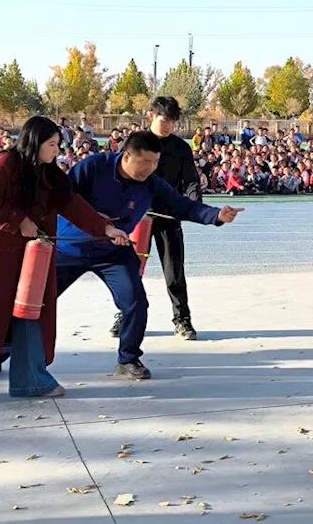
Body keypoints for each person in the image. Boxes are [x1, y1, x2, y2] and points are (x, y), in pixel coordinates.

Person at [0, 117, 128, 403]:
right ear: (35, 142)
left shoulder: (50, 174)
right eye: (51, 144)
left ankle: (30, 380)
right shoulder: (7, 162)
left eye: (58, 144)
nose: (56, 150)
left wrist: (105, 229)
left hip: (30, 257)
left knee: (31, 312)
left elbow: (72, 204)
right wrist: (19, 220)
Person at [55, 130, 243, 380]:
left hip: (114, 251)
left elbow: (182, 206)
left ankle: (128, 359)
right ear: (126, 155)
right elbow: (64, 198)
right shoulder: (94, 167)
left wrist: (216, 215)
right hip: (70, 247)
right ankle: (2, 351)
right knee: (35, 300)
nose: (150, 168)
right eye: (145, 162)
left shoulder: (151, 183)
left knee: (135, 302)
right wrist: (93, 219)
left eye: (155, 162)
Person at [109, 96, 204, 340]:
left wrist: (194, 203)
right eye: (165, 120)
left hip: (168, 217)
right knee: (130, 270)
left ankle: (182, 320)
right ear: (151, 115)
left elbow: (190, 180)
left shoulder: (181, 148)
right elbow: (118, 176)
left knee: (174, 272)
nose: (169, 126)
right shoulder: (135, 143)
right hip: (135, 219)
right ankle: (125, 316)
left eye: (173, 121)